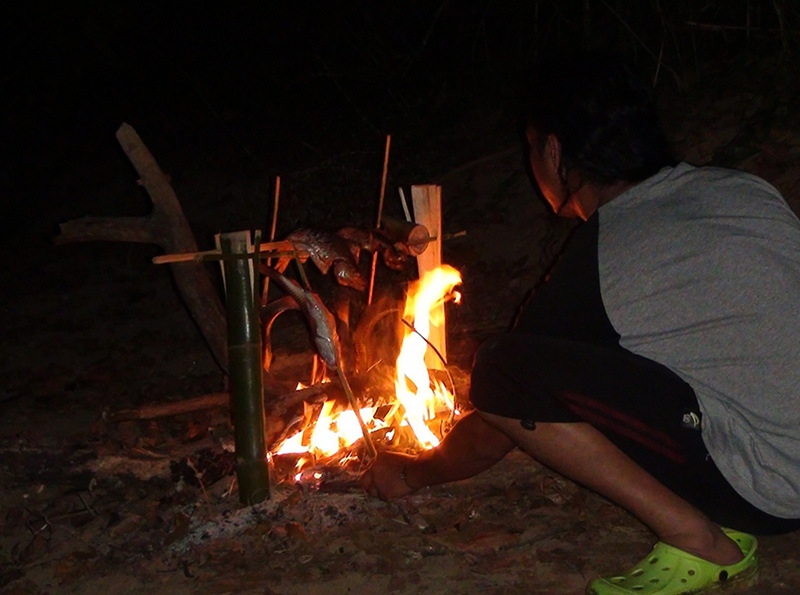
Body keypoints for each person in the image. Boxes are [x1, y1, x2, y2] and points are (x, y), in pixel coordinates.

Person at [360, 50, 800, 595]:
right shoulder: (740, 190)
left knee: (502, 368)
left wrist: (412, 473)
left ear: (554, 150)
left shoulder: (611, 247)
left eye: (530, 148)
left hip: (775, 490)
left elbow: (505, 407)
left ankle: (698, 539)